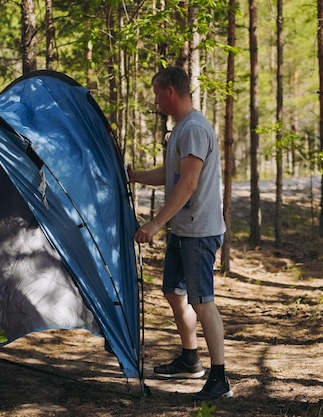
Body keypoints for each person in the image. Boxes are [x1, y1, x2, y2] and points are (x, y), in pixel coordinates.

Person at [128, 66, 232, 402]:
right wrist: (135, 175)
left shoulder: (193, 129)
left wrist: (155, 224)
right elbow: (172, 174)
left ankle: (220, 379)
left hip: (199, 232)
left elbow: (189, 183)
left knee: (203, 303)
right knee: (175, 292)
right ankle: (191, 359)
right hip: (183, 230)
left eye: (158, 94)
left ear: (171, 91)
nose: (157, 102)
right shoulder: (182, 130)